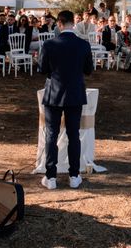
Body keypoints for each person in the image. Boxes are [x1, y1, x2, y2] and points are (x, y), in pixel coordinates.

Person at [38, 10, 93, 190]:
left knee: (51, 134)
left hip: (54, 93)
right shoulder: (84, 45)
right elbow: (88, 70)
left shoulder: (49, 44)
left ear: (59, 24)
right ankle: (74, 175)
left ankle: (51, 176)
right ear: (73, 24)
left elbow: (42, 69)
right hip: (75, 93)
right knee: (73, 135)